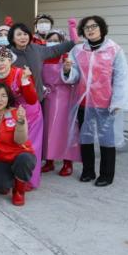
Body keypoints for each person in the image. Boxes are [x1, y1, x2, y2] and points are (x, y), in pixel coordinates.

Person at [63, 15, 128, 187]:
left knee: (106, 139)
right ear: (83, 31)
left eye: (94, 26)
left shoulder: (114, 50)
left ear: (101, 28)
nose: (90, 30)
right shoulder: (78, 50)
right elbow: (75, 76)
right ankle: (88, 171)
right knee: (85, 138)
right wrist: (67, 70)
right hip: (84, 102)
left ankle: (106, 175)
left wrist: (118, 102)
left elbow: (121, 77)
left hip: (105, 103)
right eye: (87, 27)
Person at [0, 46, 42, 189]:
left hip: (29, 113)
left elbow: (32, 99)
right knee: (9, 145)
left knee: (29, 146)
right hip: (6, 114)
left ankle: (27, 181)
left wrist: (25, 81)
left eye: (3, 59)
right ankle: (9, 177)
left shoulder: (20, 73)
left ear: (10, 61)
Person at [0, 83, 36, 206]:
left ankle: (19, 191)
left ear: (9, 98)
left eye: (3, 96)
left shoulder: (16, 114)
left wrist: (20, 122)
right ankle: (14, 179)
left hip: (20, 155)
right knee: (0, 186)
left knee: (24, 159)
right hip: (1, 159)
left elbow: (20, 140)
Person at [40, 29, 80, 176]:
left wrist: (67, 70)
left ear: (62, 42)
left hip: (64, 98)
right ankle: (49, 160)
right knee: (47, 130)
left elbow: (76, 77)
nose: (53, 43)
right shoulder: (42, 57)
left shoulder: (67, 56)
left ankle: (67, 162)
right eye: (50, 40)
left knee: (65, 130)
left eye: (56, 40)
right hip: (47, 97)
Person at [9, 22, 76, 102]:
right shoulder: (9, 55)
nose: (23, 37)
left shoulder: (36, 49)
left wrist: (72, 43)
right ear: (12, 38)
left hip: (38, 99)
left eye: (25, 34)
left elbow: (54, 50)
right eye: (19, 34)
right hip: (18, 101)